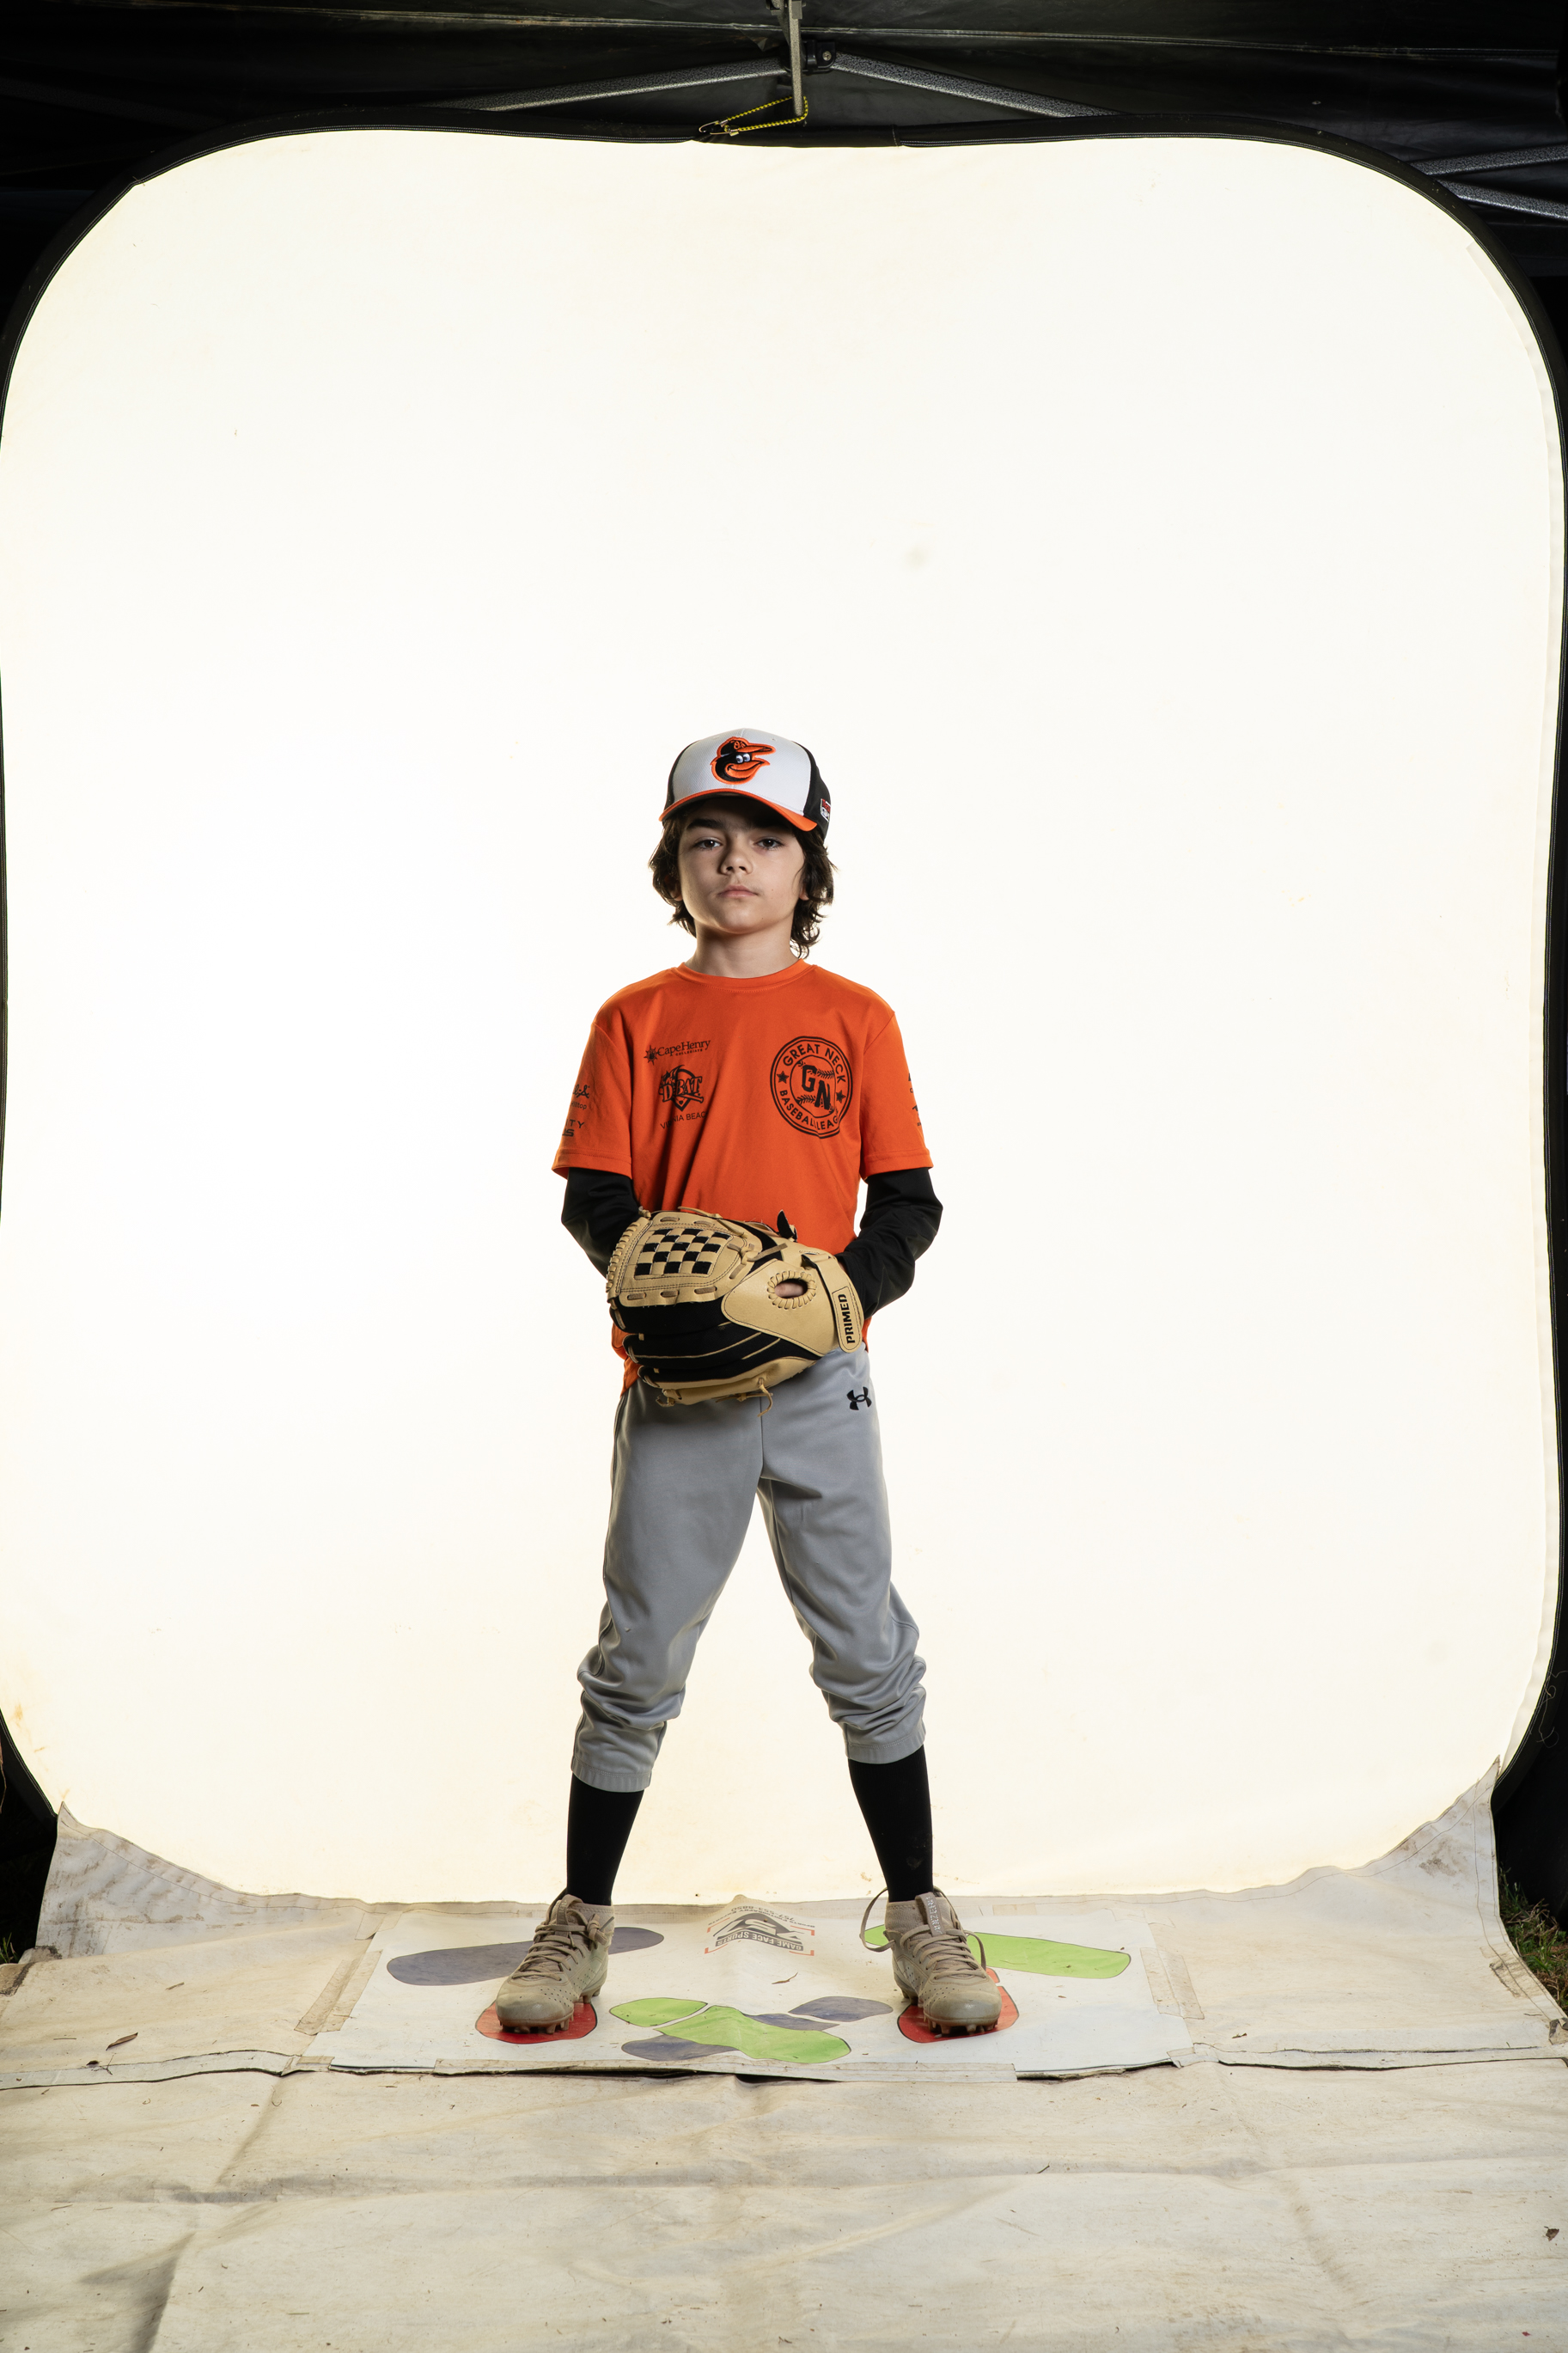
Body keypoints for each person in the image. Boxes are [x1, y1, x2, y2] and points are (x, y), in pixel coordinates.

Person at [492, 730, 999, 2036]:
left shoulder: (856, 1018)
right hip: (681, 1391)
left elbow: (909, 1203)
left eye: (766, 839)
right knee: (638, 1656)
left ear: (805, 865)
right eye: (707, 838)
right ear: (673, 861)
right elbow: (594, 1197)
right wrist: (660, 1273)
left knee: (868, 1651)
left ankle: (920, 1911)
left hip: (821, 1382)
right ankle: (580, 1921)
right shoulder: (635, 1019)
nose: (736, 862)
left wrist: (841, 1288)